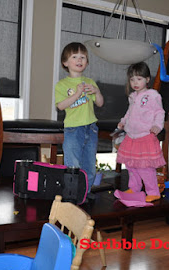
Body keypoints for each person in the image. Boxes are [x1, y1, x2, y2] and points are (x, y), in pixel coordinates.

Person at [55, 42, 104, 193]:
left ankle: (86, 193)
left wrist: (96, 92)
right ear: (65, 62)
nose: (79, 60)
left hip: (91, 128)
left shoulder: (90, 82)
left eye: (83, 57)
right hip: (73, 129)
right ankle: (71, 194)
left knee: (89, 165)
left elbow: (100, 103)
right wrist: (76, 94)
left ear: (87, 62)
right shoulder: (62, 84)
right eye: (74, 57)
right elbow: (61, 106)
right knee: (73, 164)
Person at [116, 62, 166, 202]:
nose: (135, 82)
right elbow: (129, 112)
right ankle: (135, 187)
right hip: (131, 137)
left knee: (145, 167)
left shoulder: (152, 95)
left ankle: (153, 191)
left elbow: (159, 112)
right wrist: (123, 121)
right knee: (131, 165)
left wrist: (157, 125)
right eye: (132, 79)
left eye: (139, 79)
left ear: (147, 79)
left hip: (145, 136)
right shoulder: (132, 97)